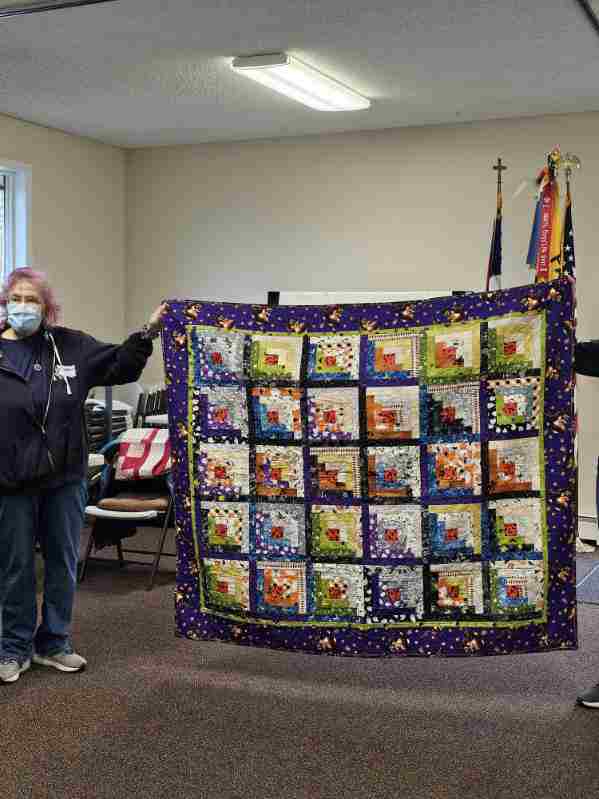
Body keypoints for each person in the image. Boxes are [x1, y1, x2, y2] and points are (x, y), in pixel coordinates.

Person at [0, 267, 165, 684]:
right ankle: (14, 647)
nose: (23, 307)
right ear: (5, 303)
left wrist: (148, 332)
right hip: (10, 481)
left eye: (32, 300)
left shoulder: (70, 346)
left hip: (65, 478)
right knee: (16, 567)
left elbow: (122, 365)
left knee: (62, 563)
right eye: (16, 299)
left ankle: (54, 642)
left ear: (47, 307)